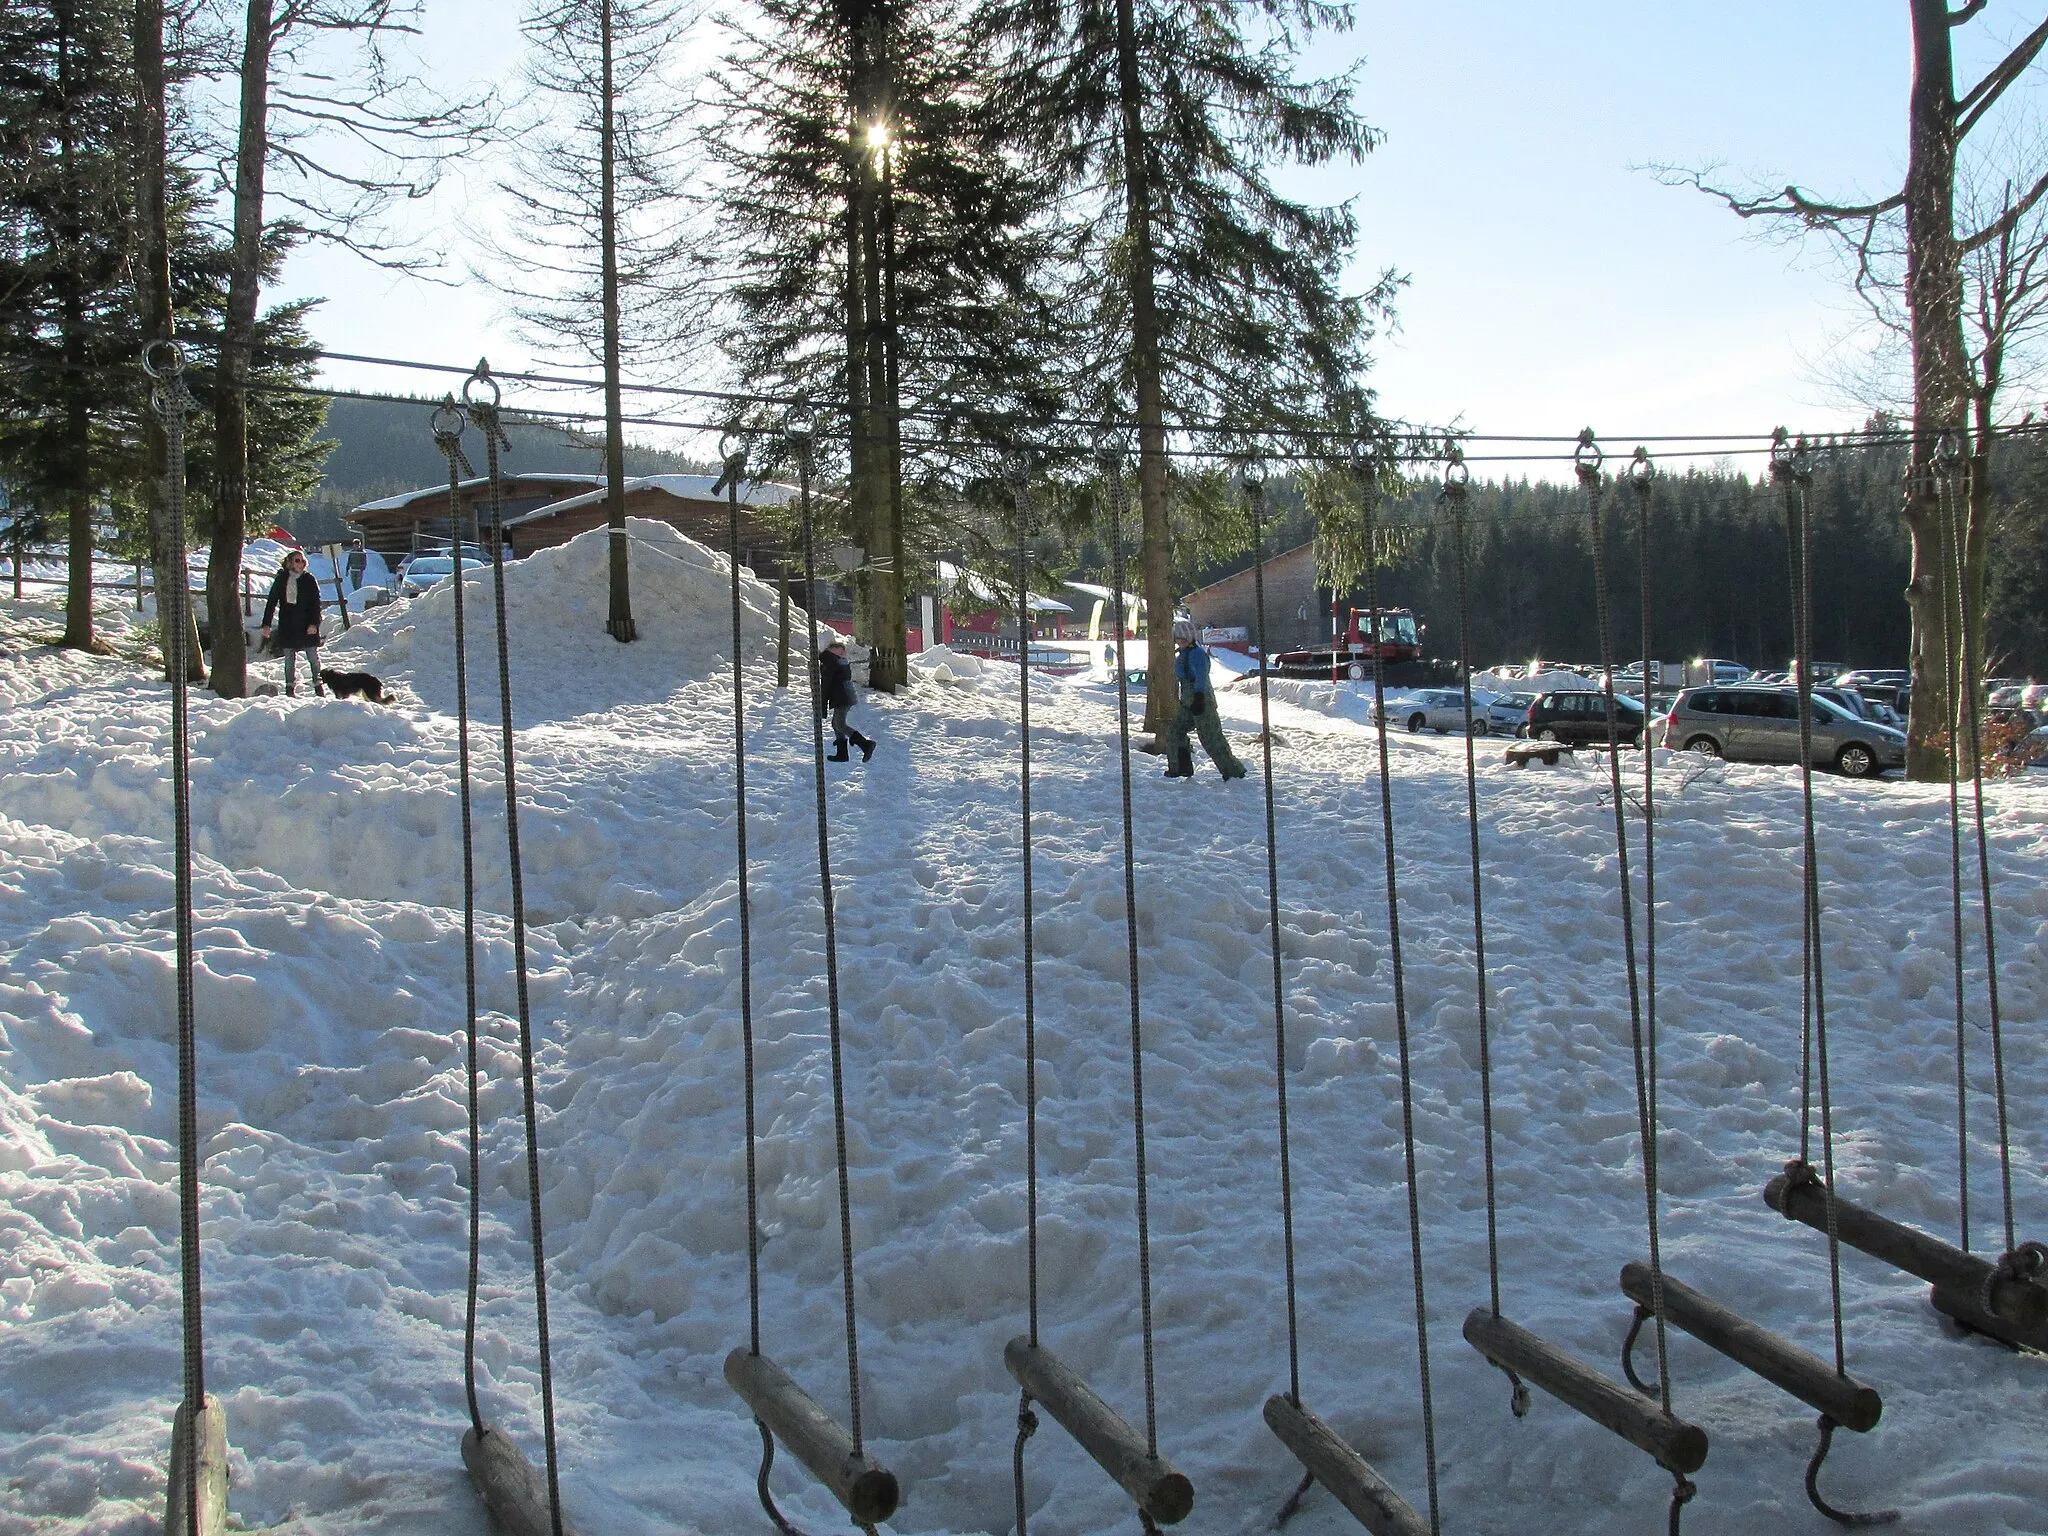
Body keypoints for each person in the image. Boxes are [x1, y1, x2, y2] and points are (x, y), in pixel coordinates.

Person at [1165, 616, 1245, 780]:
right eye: (1177, 637)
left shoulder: (1197, 654)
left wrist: (1199, 697)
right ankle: (1180, 767)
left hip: (1201, 701)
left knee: (1211, 738)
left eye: (1182, 637)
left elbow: (1201, 677)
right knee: (1175, 732)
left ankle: (1234, 771)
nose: (1179, 641)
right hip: (1187, 702)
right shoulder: (1182, 654)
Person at [261, 549, 325, 696]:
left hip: (307, 623)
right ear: (289, 563)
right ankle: (289, 688)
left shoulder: (309, 579)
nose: (301, 563)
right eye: (297, 561)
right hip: (288, 623)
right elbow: (271, 601)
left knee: (313, 657)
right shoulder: (281, 579)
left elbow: (316, 603)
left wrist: (314, 623)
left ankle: (318, 685)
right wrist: (266, 624)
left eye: (302, 560)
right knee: (289, 658)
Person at [817, 634, 875, 762]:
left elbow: (827, 682)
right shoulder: (839, 656)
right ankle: (842, 753)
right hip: (845, 693)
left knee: (839, 724)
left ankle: (865, 744)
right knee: (836, 724)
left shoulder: (828, 659)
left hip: (841, 695)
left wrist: (821, 705)